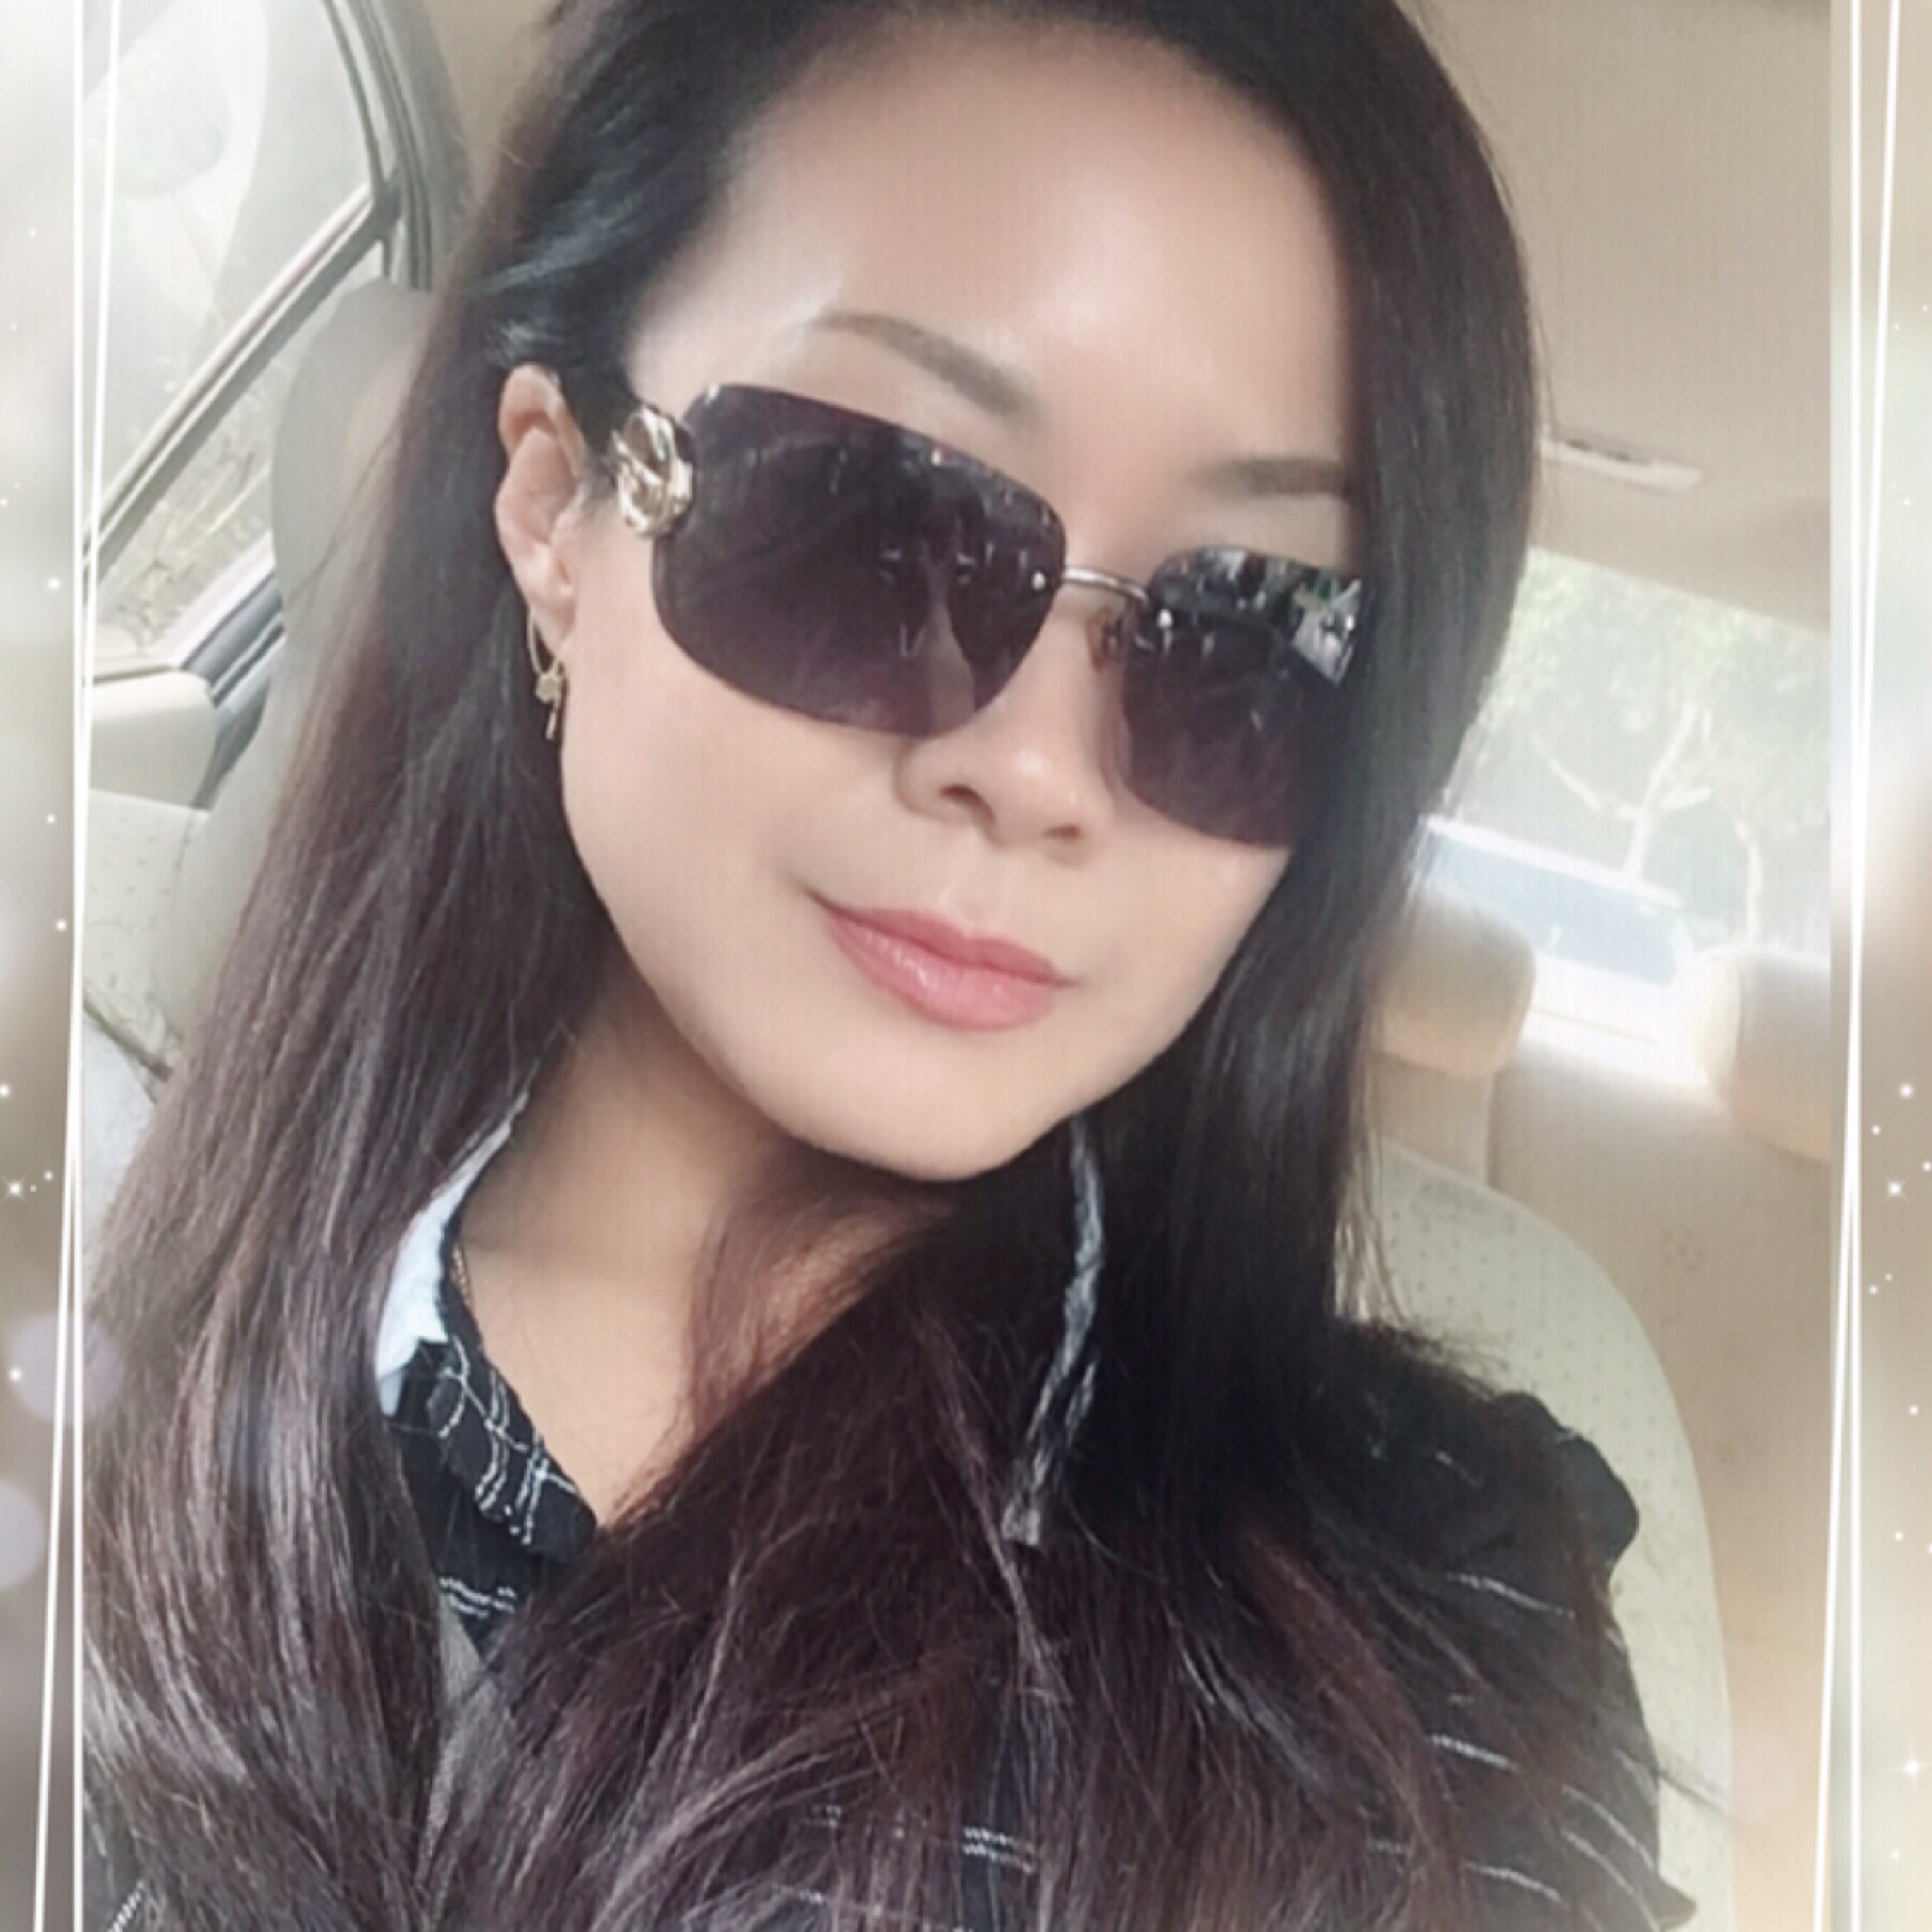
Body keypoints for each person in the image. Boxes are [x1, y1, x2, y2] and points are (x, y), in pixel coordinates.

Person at [83, 1, 1698, 1926]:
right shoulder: (100, 1327)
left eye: (1250, 636)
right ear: (555, 507)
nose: (1036, 772)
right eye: (875, 523)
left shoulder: (1446, 1637)